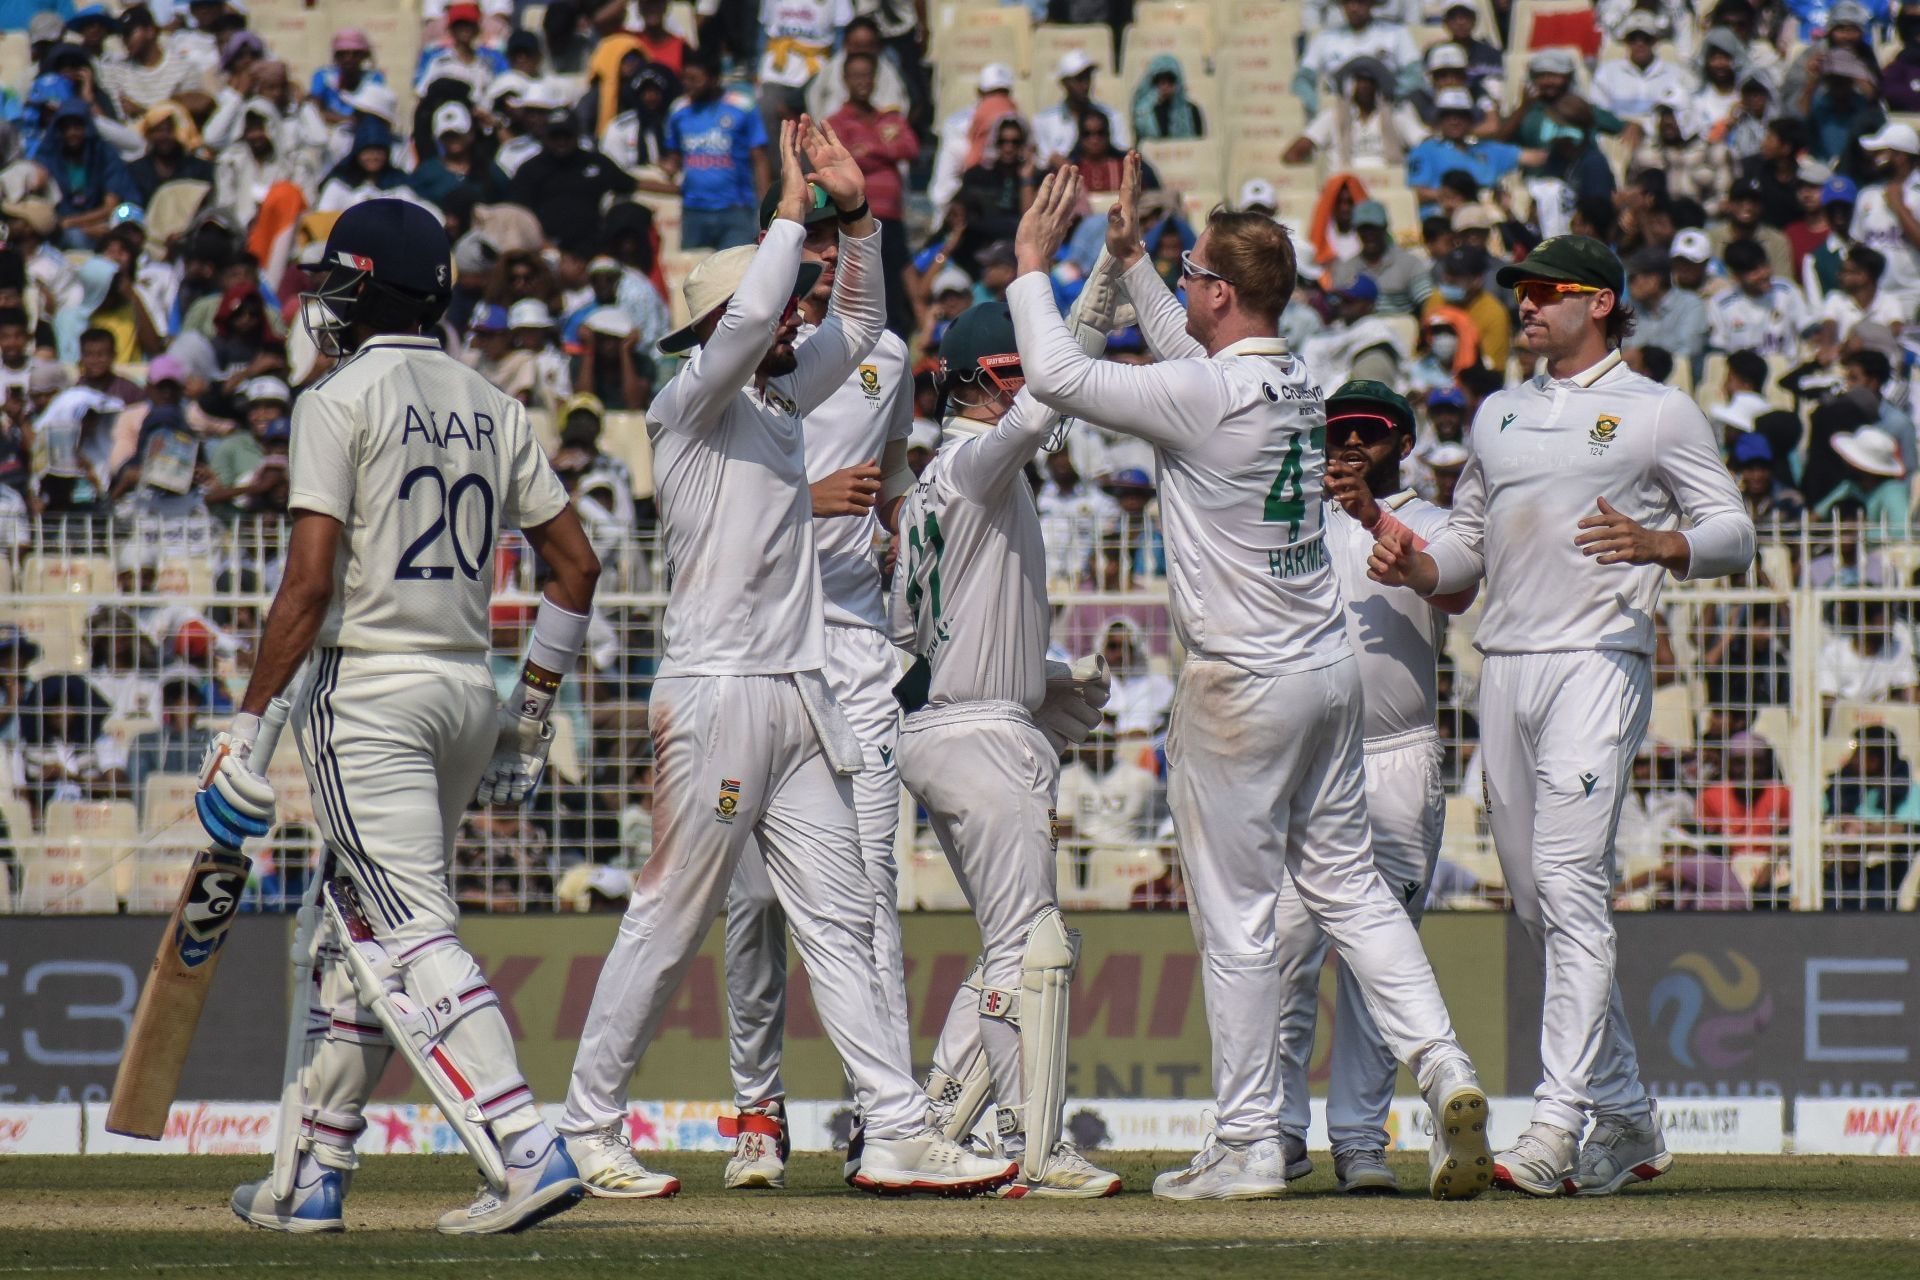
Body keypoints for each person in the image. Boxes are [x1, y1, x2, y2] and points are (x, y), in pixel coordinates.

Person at [1010, 156, 1493, 1202]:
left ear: (1223, 291)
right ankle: (1447, 1063)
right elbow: (1195, 359)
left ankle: (1245, 1143)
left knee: (1236, 919)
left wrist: (1031, 266)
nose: (1182, 291)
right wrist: (1137, 264)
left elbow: (1056, 377)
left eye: (1192, 277)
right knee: (1356, 892)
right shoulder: (1298, 376)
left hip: (1245, 682)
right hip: (1329, 676)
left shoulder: (1201, 389)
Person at [557, 119, 1016, 1199]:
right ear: (715, 325)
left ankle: (896, 1124)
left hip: (797, 692)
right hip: (714, 692)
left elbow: (858, 325)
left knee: (843, 913)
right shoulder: (691, 402)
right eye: (776, 302)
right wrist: (790, 201)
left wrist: (858, 216)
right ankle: (584, 1122)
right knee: (669, 920)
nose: (795, 311)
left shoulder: (770, 402)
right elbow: (768, 307)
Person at [217, 198, 601, 1235]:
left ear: (370, 288)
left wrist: (243, 726)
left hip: (370, 693)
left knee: (409, 929)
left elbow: (305, 586)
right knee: (354, 934)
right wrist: (528, 708)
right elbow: (577, 566)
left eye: (338, 283)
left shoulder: (338, 397)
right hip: (466, 692)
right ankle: (312, 1174)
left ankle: (527, 1146)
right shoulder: (493, 400)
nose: (326, 305)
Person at [1368, 234, 1755, 1197]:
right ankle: (1627, 1120)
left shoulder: (1658, 411)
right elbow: (1464, 548)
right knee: (1542, 906)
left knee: (1570, 888)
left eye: (1545, 293)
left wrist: (1663, 541)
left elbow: (1735, 532)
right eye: (1521, 293)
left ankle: (1554, 1125)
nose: (1526, 306)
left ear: (1604, 304)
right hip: (1504, 666)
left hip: (1596, 662)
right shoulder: (1497, 414)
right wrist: (1420, 568)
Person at [890, 297, 1123, 1199]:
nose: (1041, 391)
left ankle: (940, 1112)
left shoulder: (940, 483)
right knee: (1036, 948)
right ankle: (1037, 1145)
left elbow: (926, 641)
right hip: (983, 733)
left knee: (1005, 943)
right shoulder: (975, 462)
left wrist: (1043, 671)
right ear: (983, 381)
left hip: (947, 722)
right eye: (1021, 371)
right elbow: (1044, 400)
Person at [719, 182, 916, 1192]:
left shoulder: (884, 357)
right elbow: (707, 509)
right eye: (800, 250)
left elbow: (892, 489)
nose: (814, 268)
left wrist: (887, 536)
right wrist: (805, 504)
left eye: (835, 245)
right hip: (762, 646)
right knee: (753, 902)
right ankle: (757, 1110)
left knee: (866, 897)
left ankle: (879, 1116)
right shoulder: (741, 354)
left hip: (855, 649)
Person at [1269, 379, 1477, 1194]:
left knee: (1375, 967)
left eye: (1371, 431)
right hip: (1309, 753)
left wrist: (1372, 520)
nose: (1351, 443)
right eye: (1338, 431)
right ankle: (1277, 1134)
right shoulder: (1294, 520)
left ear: (1403, 442)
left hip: (1395, 757)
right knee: (1285, 953)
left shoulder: (1424, 519)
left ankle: (1359, 1141)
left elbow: (1454, 585)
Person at [662, 52, 770, 251]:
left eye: (695, 79)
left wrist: (765, 207)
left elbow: (760, 158)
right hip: (694, 210)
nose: (688, 84)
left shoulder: (742, 106)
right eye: (685, 78)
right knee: (694, 277)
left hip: (736, 210)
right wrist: (669, 166)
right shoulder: (678, 110)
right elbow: (674, 155)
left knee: (733, 276)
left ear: (714, 78)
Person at [1708, 239, 1812, 357]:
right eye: (1754, 271)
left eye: (1764, 265)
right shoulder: (1721, 304)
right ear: (1736, 276)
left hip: (1788, 370)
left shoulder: (1786, 290)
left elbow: (1807, 327)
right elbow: (1717, 351)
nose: (1763, 274)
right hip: (1746, 373)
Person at [1031, 50, 1128, 170]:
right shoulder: (1043, 121)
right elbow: (1041, 162)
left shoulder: (1112, 117)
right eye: (1078, 79)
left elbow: (1122, 155)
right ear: (1064, 83)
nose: (1085, 85)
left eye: (1087, 77)